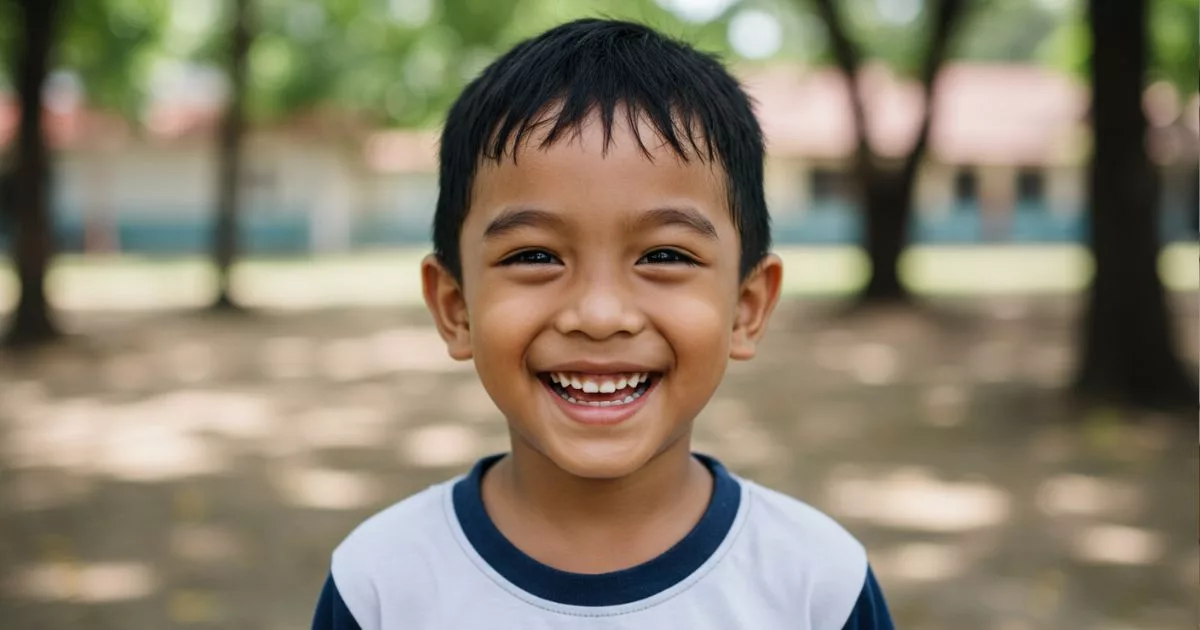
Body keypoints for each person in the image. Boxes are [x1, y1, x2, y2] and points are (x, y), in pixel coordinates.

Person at [311, 18, 893, 630]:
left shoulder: (816, 583)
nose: (599, 315)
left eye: (664, 256)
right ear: (455, 308)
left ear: (746, 309)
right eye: (534, 256)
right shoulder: (381, 582)